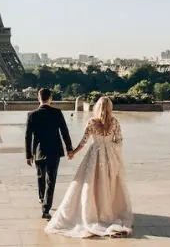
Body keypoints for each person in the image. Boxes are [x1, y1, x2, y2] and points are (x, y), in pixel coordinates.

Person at [45, 96, 134, 238]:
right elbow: (120, 140)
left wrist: (73, 152)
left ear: (97, 107)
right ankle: (108, 211)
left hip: (95, 155)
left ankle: (93, 212)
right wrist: (111, 147)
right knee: (110, 184)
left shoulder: (92, 122)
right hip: (110, 157)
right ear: (110, 108)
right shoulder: (114, 122)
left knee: (91, 184)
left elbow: (84, 141)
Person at [24, 88, 74, 220]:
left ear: (38, 98)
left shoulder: (32, 115)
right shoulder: (57, 113)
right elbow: (64, 131)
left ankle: (42, 198)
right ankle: (46, 209)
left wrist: (28, 155)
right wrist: (69, 148)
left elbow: (28, 137)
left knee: (40, 176)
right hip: (54, 151)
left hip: (39, 151)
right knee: (51, 180)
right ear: (50, 98)